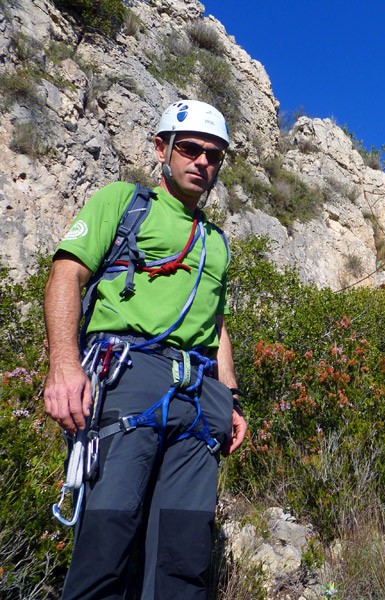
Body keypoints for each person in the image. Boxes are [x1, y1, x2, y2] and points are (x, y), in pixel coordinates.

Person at [44, 100, 247, 598]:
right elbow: (66, 275)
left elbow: (216, 322)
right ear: (163, 149)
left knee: (184, 559)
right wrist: (64, 367)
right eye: (192, 149)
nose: (203, 162)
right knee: (106, 542)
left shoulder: (216, 241)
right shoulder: (124, 202)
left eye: (214, 155)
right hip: (129, 377)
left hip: (200, 397)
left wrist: (233, 398)